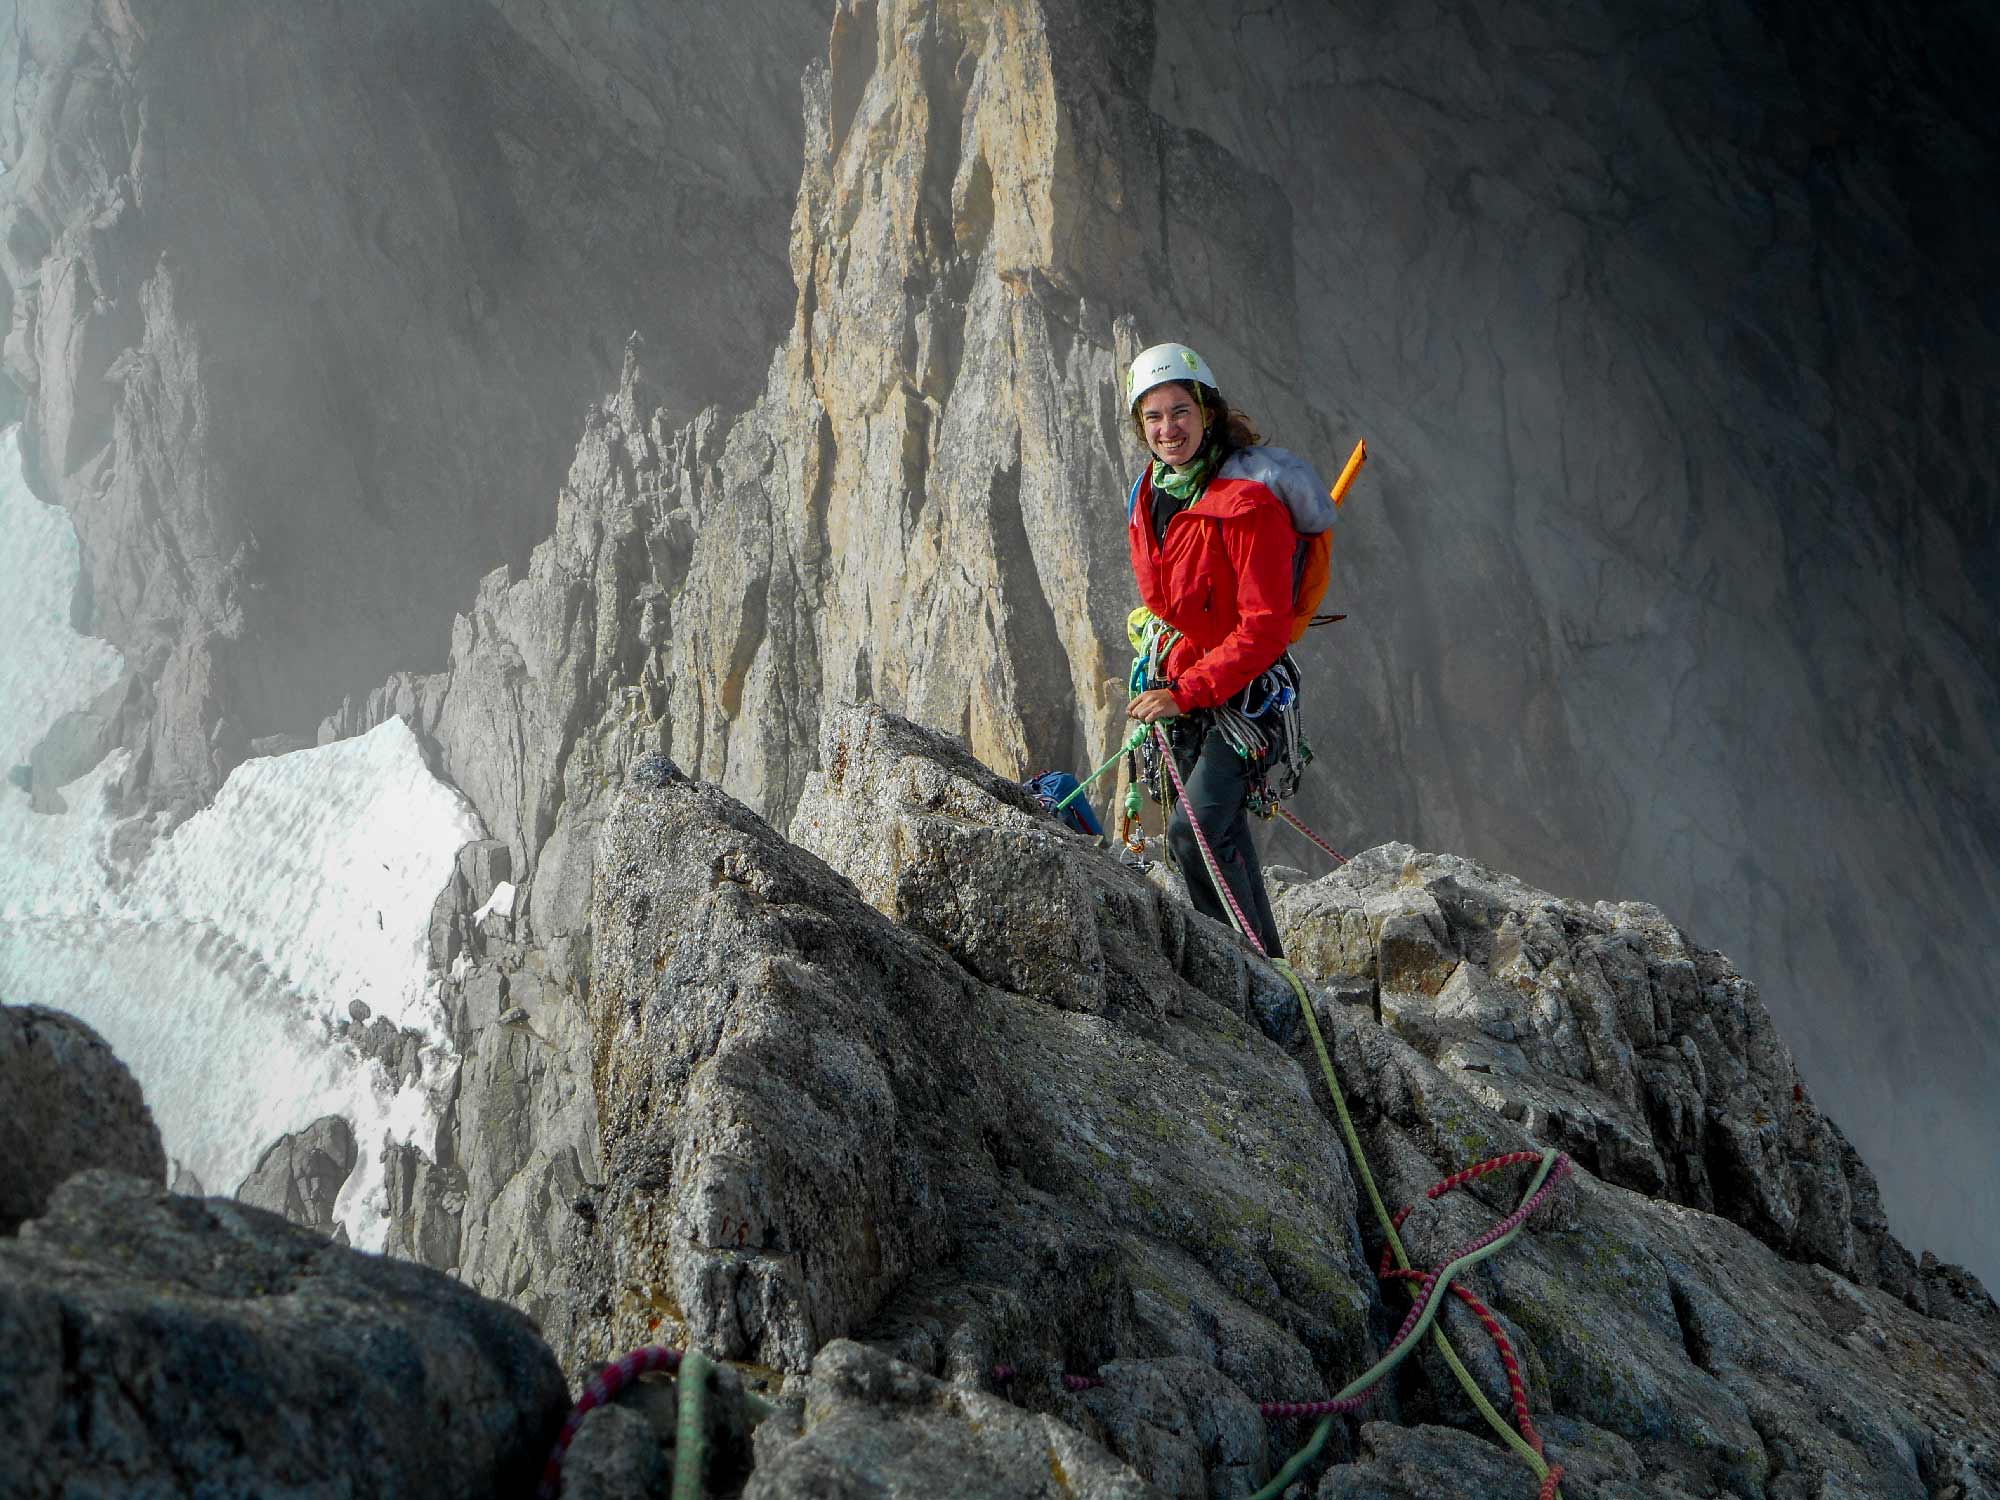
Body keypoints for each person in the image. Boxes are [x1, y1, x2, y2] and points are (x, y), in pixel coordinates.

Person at [1122, 342, 1330, 957]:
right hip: (1187, 678)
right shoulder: (1151, 493)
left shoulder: (1247, 505)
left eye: (1180, 412)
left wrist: (1185, 692)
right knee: (1220, 833)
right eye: (1154, 417)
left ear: (1207, 412)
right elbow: (1176, 600)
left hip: (1246, 694)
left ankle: (1242, 971)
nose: (1168, 428)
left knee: (1195, 835)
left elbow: (1263, 628)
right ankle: (1266, 968)